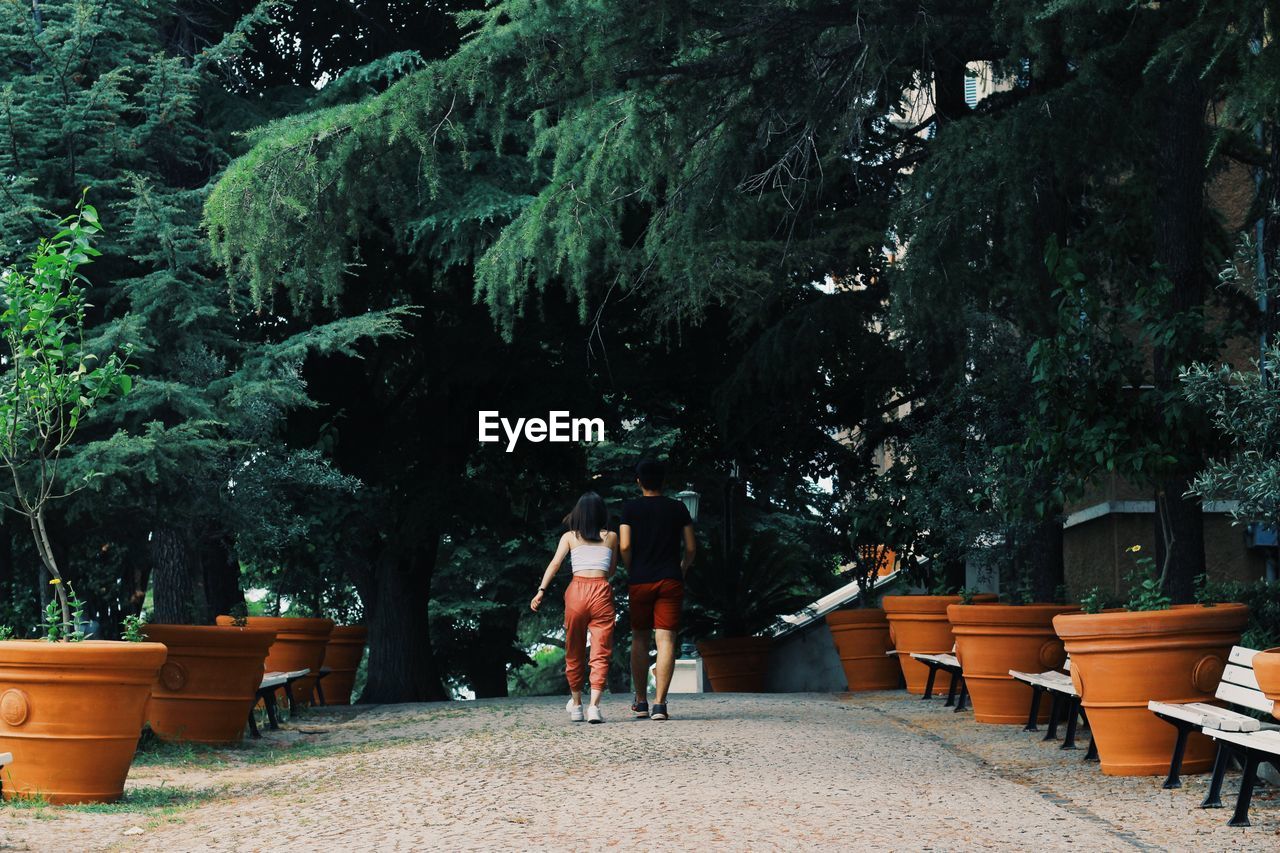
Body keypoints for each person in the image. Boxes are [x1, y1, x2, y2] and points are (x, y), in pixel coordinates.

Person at [531, 491, 618, 723]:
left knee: (574, 649)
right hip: (601, 591)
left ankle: (577, 705)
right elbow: (611, 570)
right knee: (601, 651)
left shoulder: (570, 537)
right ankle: (594, 708)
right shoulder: (611, 537)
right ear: (601, 514)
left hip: (576, 592)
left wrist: (541, 591)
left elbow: (555, 564)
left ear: (578, 514)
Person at [620, 459, 696, 721]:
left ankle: (641, 702)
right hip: (670, 579)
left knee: (639, 638)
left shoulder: (630, 509)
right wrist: (682, 569)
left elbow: (625, 546)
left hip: (640, 579)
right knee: (666, 640)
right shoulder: (678, 508)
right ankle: (660, 705)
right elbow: (690, 548)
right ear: (664, 481)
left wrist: (633, 568)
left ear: (638, 481)